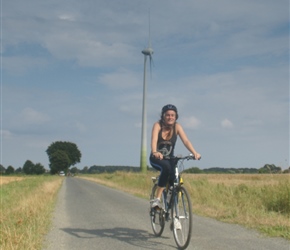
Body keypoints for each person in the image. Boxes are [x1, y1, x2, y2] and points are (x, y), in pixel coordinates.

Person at [150, 104, 201, 208]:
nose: (170, 117)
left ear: (176, 116)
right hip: (156, 158)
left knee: (174, 179)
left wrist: (194, 152)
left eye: (172, 115)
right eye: (168, 115)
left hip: (170, 159)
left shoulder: (177, 127)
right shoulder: (157, 125)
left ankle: (174, 214)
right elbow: (154, 140)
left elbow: (186, 141)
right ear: (163, 116)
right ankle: (157, 199)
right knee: (166, 168)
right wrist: (155, 151)